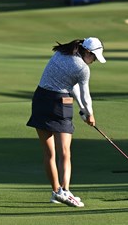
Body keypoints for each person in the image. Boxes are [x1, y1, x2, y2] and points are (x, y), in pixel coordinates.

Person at [26, 37, 106, 207]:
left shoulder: (61, 53)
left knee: (49, 154)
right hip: (61, 102)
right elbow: (85, 95)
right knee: (64, 152)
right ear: (88, 52)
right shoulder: (82, 68)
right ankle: (66, 191)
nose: (94, 62)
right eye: (94, 58)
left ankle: (56, 192)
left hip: (40, 99)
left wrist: (84, 111)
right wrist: (90, 114)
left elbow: (71, 84)